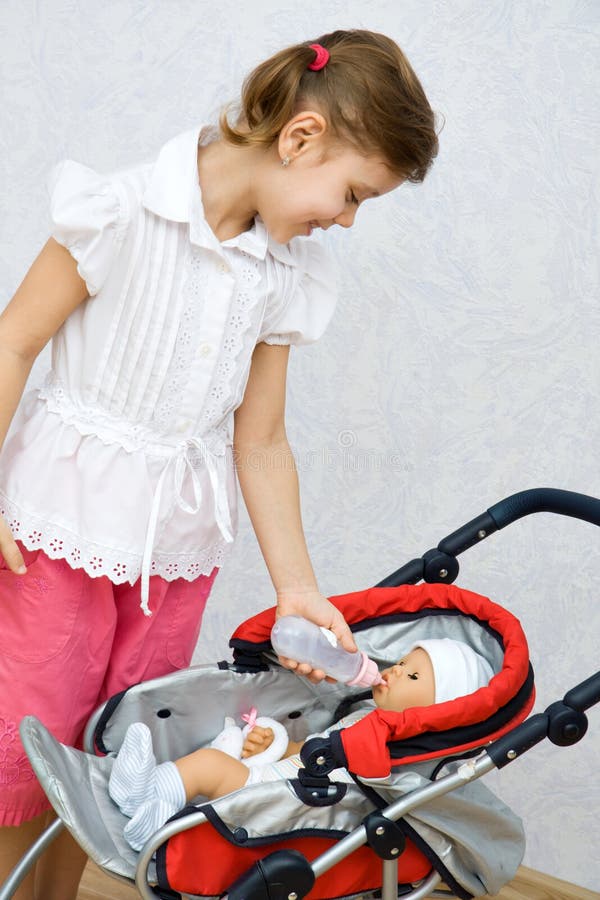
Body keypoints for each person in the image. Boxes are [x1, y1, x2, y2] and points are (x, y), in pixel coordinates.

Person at [0, 29, 438, 898]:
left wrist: (298, 589)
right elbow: (14, 341)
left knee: (111, 741)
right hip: (61, 525)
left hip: (176, 550)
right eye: (353, 194)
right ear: (301, 137)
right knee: (26, 747)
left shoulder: (286, 273)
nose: (346, 220)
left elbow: (261, 438)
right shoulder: (119, 212)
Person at [109, 638, 494, 851]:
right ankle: (150, 803)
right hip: (278, 777)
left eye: (412, 674)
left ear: (441, 710)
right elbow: (311, 749)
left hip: (284, 805)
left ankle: (147, 802)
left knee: (210, 765)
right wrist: (274, 741)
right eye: (402, 660)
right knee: (219, 751)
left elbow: (349, 788)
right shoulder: (363, 715)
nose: (394, 669)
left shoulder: (401, 753)